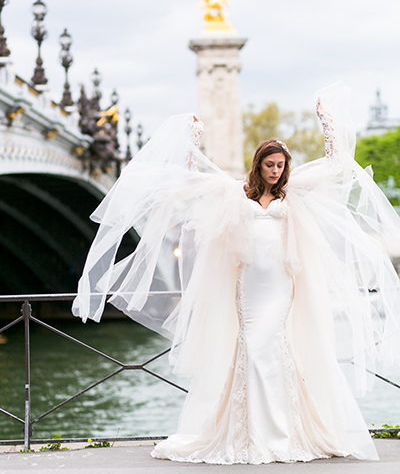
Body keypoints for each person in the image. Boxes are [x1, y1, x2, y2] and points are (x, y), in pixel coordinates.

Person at [72, 83, 400, 464]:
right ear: (258, 165)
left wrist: (327, 122)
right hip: (248, 286)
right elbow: (192, 181)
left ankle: (281, 432)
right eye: (270, 165)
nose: (276, 172)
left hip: (280, 284)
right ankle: (248, 432)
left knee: (272, 346)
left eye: (281, 166)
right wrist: (193, 139)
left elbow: (334, 165)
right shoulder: (237, 193)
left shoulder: (292, 193)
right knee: (251, 347)